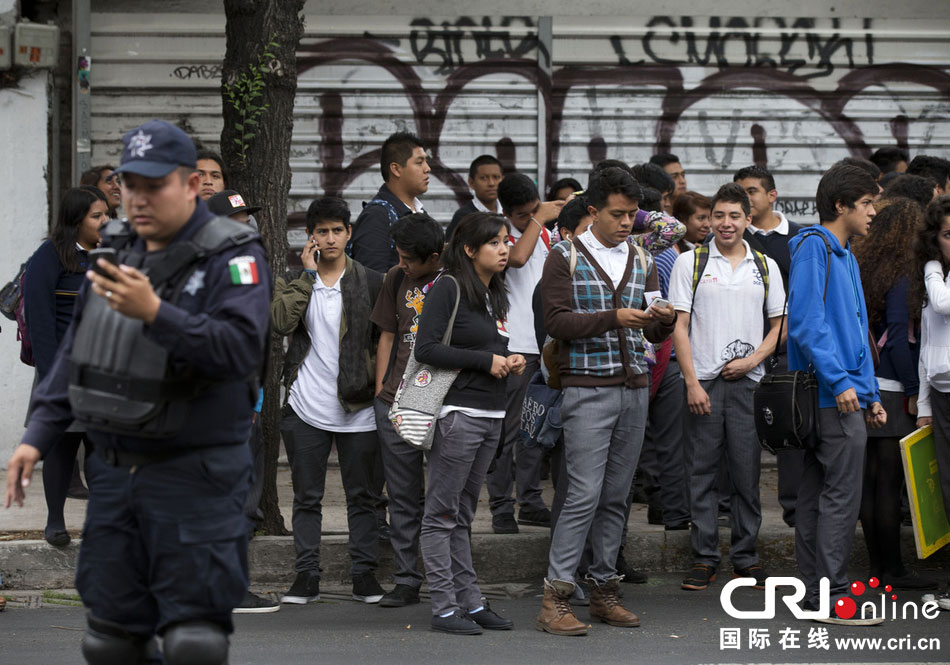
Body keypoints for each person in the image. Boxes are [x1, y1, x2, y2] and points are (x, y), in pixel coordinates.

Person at [5, 119, 272, 663]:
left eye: (155, 185)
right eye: (130, 184)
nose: (139, 198)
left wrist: (156, 313)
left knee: (193, 640)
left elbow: (240, 351)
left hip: (196, 473)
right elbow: (79, 353)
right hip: (117, 473)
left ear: (192, 185)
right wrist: (37, 434)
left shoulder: (234, 255)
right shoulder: (115, 251)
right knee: (110, 639)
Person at [536, 167, 676, 636]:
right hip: (587, 387)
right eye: (617, 214)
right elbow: (555, 322)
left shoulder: (643, 258)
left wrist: (663, 319)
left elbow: (653, 328)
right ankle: (555, 597)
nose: (626, 223)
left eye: (632, 214)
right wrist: (613, 317)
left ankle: (603, 591)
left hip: (635, 386)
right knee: (582, 493)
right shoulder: (564, 257)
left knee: (616, 496)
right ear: (593, 211)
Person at [670, 183, 785, 592]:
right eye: (718, 215)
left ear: (748, 220)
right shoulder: (691, 263)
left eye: (734, 216)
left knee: (745, 473)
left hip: (749, 385)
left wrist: (753, 360)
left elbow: (779, 327)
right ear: (709, 219)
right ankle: (703, 558)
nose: (725, 223)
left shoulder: (765, 266)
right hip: (703, 383)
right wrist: (690, 382)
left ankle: (746, 558)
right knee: (700, 473)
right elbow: (679, 327)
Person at [272, 196, 385, 607]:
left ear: (349, 233)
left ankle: (364, 575)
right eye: (323, 231)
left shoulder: (372, 281)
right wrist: (306, 277)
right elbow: (280, 323)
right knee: (306, 497)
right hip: (307, 406)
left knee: (363, 497)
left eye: (338, 230)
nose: (331, 238)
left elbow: (382, 341)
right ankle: (306, 576)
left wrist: (379, 392)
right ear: (311, 236)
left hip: (359, 408)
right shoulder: (296, 279)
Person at [415, 212, 525, 635]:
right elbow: (426, 348)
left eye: (505, 241)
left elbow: (486, 349)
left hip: (492, 415)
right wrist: (487, 361)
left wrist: (508, 361)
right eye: (495, 243)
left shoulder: (493, 291)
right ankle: (444, 608)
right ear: (468, 249)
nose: (504, 249)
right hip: (459, 416)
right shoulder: (449, 286)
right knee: (441, 514)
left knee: (462, 514)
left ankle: (471, 602)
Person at [787, 163, 886, 625]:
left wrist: (869, 394)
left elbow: (854, 332)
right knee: (838, 498)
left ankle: (815, 595)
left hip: (842, 395)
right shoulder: (815, 248)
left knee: (817, 495)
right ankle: (832, 597)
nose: (873, 212)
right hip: (829, 396)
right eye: (866, 204)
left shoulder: (843, 253)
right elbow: (807, 325)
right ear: (841, 205)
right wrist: (844, 383)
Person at [853, 196, 937, 590]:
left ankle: (876, 568)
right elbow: (902, 342)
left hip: (868, 384)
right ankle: (893, 571)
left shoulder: (868, 266)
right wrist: (915, 389)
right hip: (892, 389)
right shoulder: (905, 274)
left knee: (870, 482)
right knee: (888, 484)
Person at [24, 185, 109, 546]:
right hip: (64, 368)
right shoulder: (50, 256)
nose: (106, 221)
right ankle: (55, 522)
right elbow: (41, 321)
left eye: (107, 214)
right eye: (97, 216)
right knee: (62, 444)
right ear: (76, 220)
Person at [370, 211, 444, 608]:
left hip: (443, 403)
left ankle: (447, 578)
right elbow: (387, 334)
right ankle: (406, 579)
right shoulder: (395, 279)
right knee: (402, 495)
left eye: (409, 259)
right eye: (398, 255)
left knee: (444, 495)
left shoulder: (453, 281)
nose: (402, 264)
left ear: (434, 256)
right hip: (396, 402)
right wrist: (384, 389)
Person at [486, 174, 564, 534]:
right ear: (505, 213)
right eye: (521, 215)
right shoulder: (499, 239)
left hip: (543, 347)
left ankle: (530, 501)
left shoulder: (547, 234)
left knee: (534, 431)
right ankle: (501, 505)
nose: (529, 217)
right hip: (513, 346)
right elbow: (516, 259)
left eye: (534, 210)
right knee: (506, 432)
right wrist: (537, 219)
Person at [733, 165, 804, 527]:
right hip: (742, 349)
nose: (746, 198)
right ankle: (730, 508)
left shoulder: (800, 238)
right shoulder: (733, 239)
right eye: (739, 191)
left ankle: (793, 507)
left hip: (788, 350)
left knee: (789, 427)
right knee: (738, 433)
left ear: (772, 195)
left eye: (752, 191)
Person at [914, 195, 950, 607]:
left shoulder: (935, 278)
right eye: (946, 234)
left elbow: (942, 304)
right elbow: (928, 343)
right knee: (947, 490)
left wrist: (930, 267)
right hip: (941, 395)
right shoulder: (938, 278)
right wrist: (924, 405)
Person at [350, 131, 430, 272]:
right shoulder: (377, 216)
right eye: (419, 162)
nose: (427, 169)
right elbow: (370, 281)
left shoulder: (420, 213)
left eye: (426, 161)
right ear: (396, 169)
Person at [446, 155, 503, 239]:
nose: (491, 183)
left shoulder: (510, 212)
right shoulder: (464, 217)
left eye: (496, 177)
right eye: (484, 178)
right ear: (471, 182)